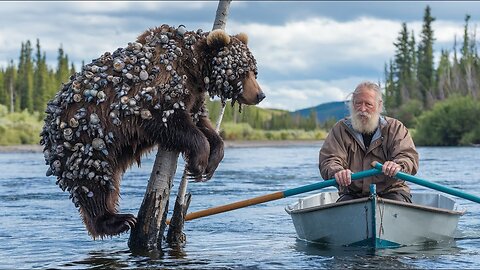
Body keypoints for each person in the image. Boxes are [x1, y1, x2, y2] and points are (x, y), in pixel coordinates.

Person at [319, 81, 419, 202]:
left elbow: (408, 157)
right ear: (352, 104)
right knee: (343, 205)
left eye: (368, 104)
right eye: (358, 103)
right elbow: (329, 159)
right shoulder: (340, 129)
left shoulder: (395, 128)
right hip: (353, 194)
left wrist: (398, 165)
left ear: (379, 105)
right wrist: (338, 172)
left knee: (397, 201)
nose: (362, 109)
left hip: (392, 191)